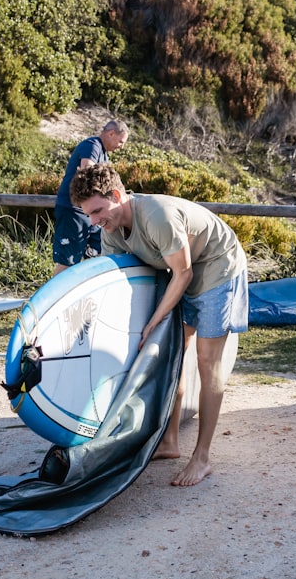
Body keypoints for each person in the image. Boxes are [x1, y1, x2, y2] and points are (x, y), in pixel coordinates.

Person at [70, 163, 248, 487]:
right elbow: (122, 285)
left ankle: (203, 457)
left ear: (116, 195)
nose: (94, 222)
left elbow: (184, 273)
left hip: (218, 267)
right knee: (171, 356)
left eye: (97, 211)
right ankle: (169, 443)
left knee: (208, 361)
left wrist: (154, 320)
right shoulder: (110, 233)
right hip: (183, 273)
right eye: (89, 216)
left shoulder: (156, 216)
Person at [52, 120, 129, 275]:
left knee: (96, 255)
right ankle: (51, 298)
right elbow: (87, 172)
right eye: (121, 142)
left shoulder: (104, 154)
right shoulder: (92, 145)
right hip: (74, 210)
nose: (122, 146)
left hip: (93, 213)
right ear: (111, 133)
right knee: (69, 260)